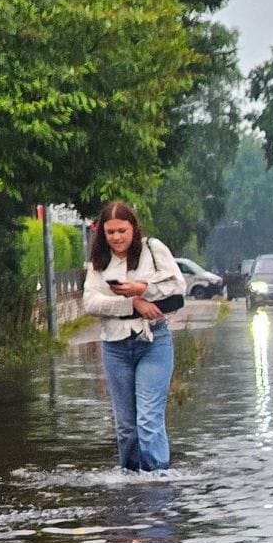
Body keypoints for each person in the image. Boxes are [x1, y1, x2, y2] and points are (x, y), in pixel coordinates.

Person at [82, 201, 186, 472]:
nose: (116, 237)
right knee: (126, 427)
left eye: (122, 231)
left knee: (149, 419)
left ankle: (156, 477)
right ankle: (129, 480)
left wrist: (143, 288)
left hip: (153, 341)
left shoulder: (153, 249)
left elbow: (177, 285)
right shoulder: (99, 261)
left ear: (133, 229)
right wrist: (132, 303)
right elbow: (90, 302)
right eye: (110, 232)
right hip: (115, 346)